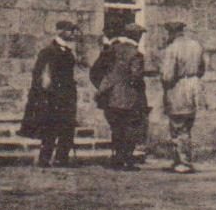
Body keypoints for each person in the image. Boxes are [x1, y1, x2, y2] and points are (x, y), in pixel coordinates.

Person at [21, 21, 80, 167]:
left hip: (67, 96)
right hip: (53, 96)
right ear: (59, 31)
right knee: (50, 128)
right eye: (69, 30)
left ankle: (62, 158)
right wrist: (44, 94)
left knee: (67, 127)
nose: (72, 33)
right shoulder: (48, 50)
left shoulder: (68, 51)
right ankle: (44, 159)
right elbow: (40, 74)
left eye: (73, 31)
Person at [91, 23, 148, 171]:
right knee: (130, 128)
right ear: (138, 36)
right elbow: (136, 77)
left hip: (111, 97)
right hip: (129, 97)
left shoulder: (112, 50)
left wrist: (103, 87)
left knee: (116, 129)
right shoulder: (136, 54)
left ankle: (117, 159)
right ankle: (127, 160)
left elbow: (96, 71)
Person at [159, 22, 205, 174]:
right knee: (187, 125)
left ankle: (184, 162)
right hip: (194, 87)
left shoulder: (172, 49)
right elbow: (202, 68)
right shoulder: (196, 46)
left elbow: (167, 75)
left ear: (172, 33)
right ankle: (179, 160)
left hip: (178, 88)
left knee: (178, 125)